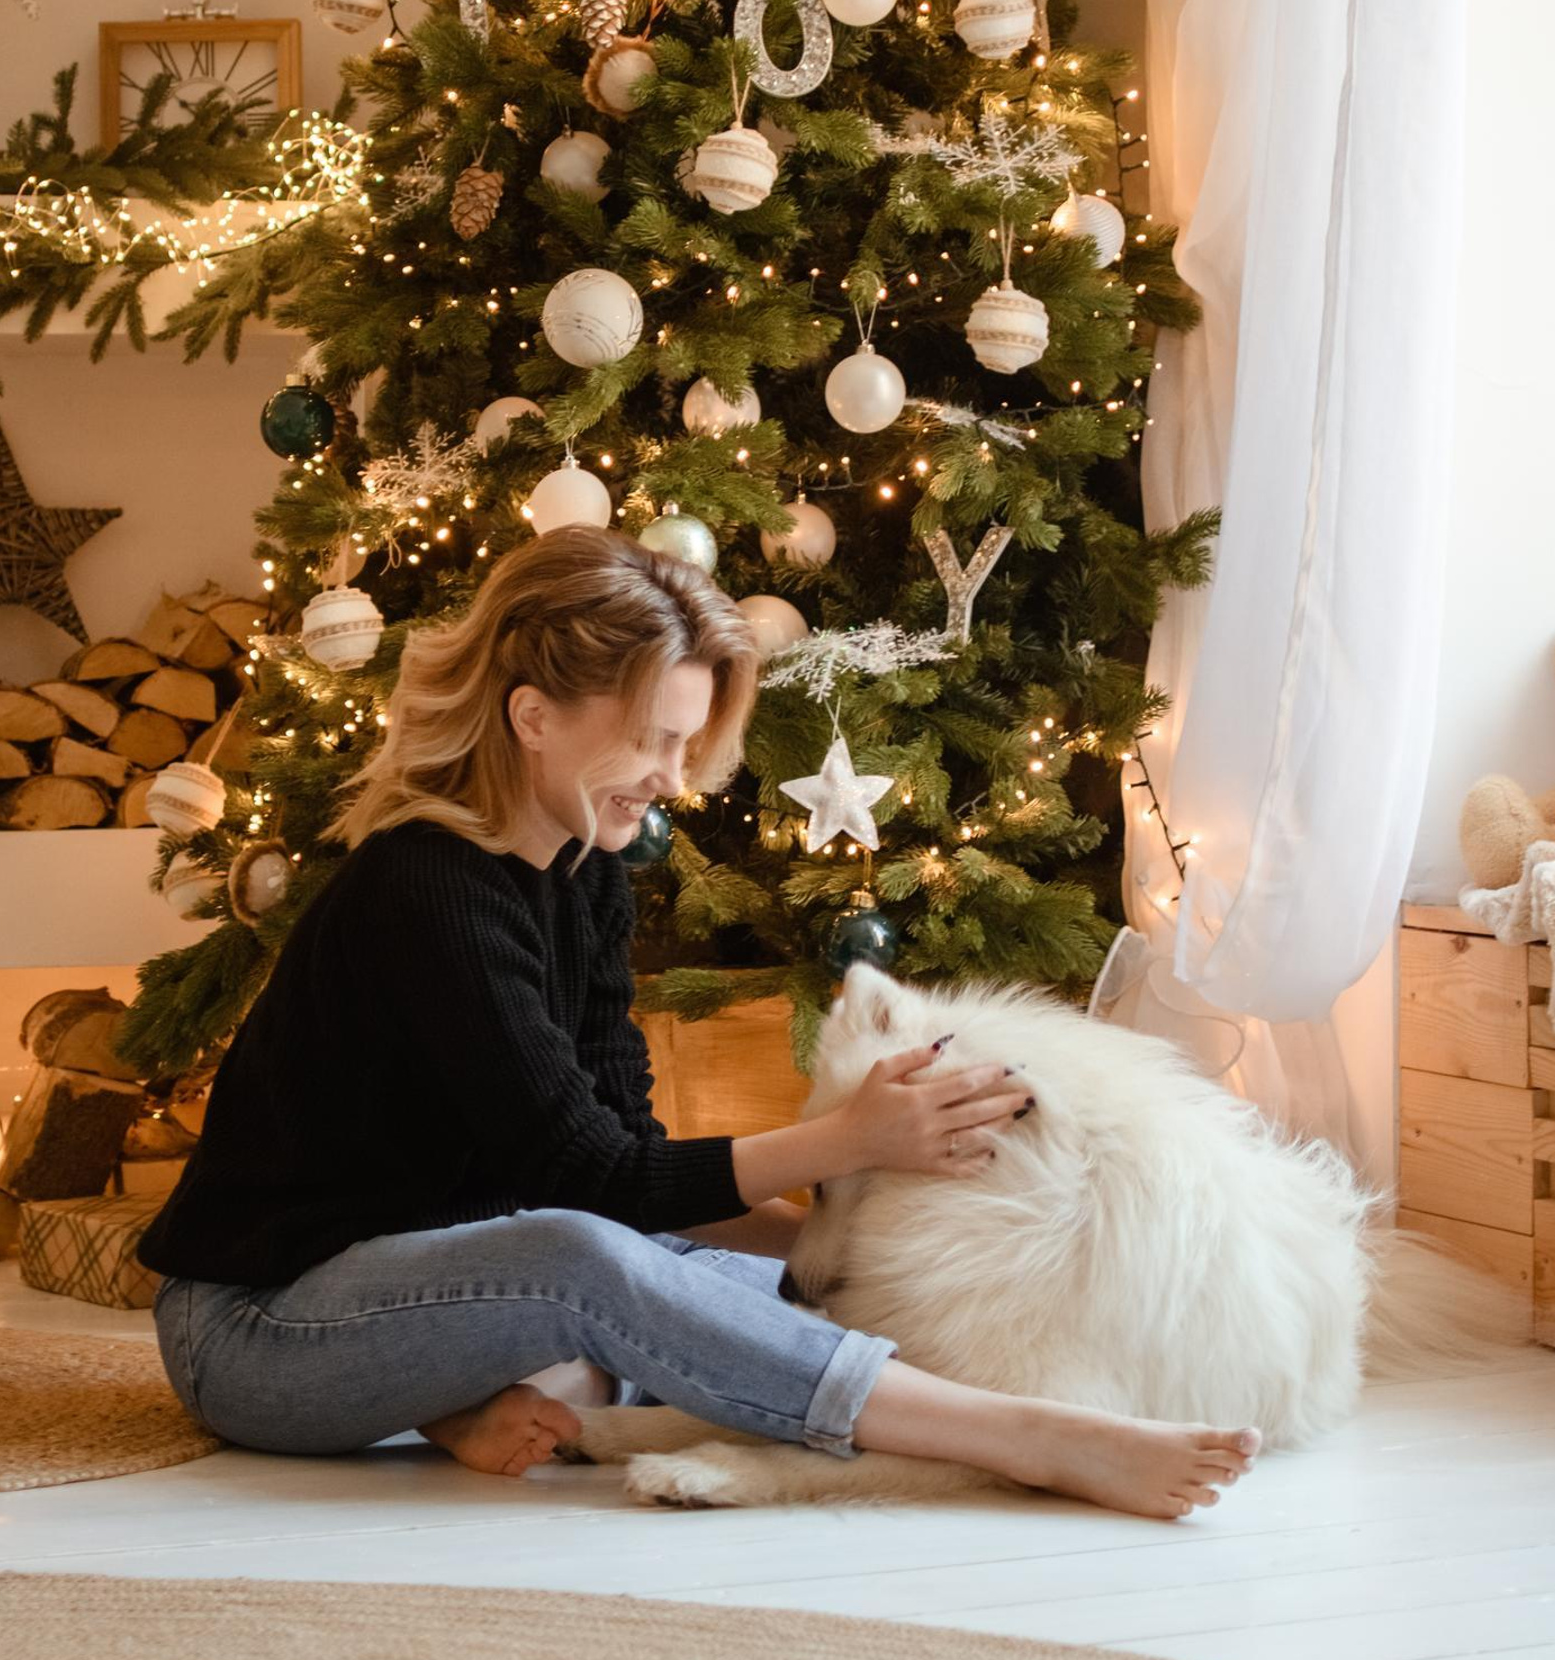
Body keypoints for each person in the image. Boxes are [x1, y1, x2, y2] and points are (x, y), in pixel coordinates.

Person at [138, 525, 1260, 1519]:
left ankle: (488, 1404)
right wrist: (851, 1141)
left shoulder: (584, 874)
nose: (674, 779)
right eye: (653, 742)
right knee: (592, 1257)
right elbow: (587, 1180)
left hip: (425, 1291)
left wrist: (842, 1245)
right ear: (532, 716)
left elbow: (633, 1152)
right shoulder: (425, 888)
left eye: (687, 744)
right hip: (259, 1333)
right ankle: (1028, 1441)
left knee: (738, 1289)